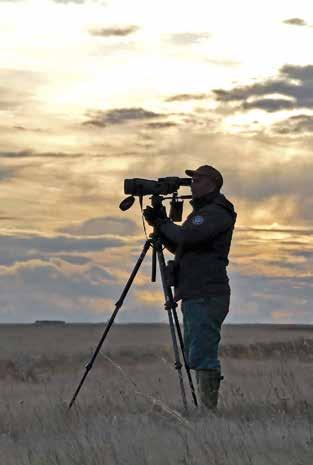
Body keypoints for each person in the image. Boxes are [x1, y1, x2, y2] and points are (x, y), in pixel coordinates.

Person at [143, 165, 237, 410]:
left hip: (207, 294)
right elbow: (184, 247)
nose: (192, 183)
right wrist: (163, 230)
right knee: (196, 353)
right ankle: (204, 410)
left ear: (212, 184)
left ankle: (208, 412)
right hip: (197, 293)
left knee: (203, 354)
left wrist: (163, 223)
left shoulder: (214, 213)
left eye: (197, 179)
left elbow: (187, 237)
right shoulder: (203, 213)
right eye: (192, 179)